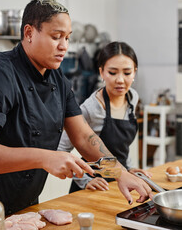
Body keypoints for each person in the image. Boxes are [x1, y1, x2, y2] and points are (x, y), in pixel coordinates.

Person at [0, 0, 152, 229]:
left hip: (22, 209)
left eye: (68, 38)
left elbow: (83, 137)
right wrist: (45, 157)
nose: (64, 46)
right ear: (29, 32)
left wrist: (120, 173)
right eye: (56, 36)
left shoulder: (58, 80)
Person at [58, 41, 152, 192]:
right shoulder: (91, 108)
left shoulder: (132, 98)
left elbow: (122, 147)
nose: (120, 80)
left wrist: (128, 170)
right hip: (95, 187)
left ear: (135, 72)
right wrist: (84, 180)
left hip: (120, 183)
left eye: (127, 73)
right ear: (101, 72)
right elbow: (61, 150)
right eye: (113, 73)